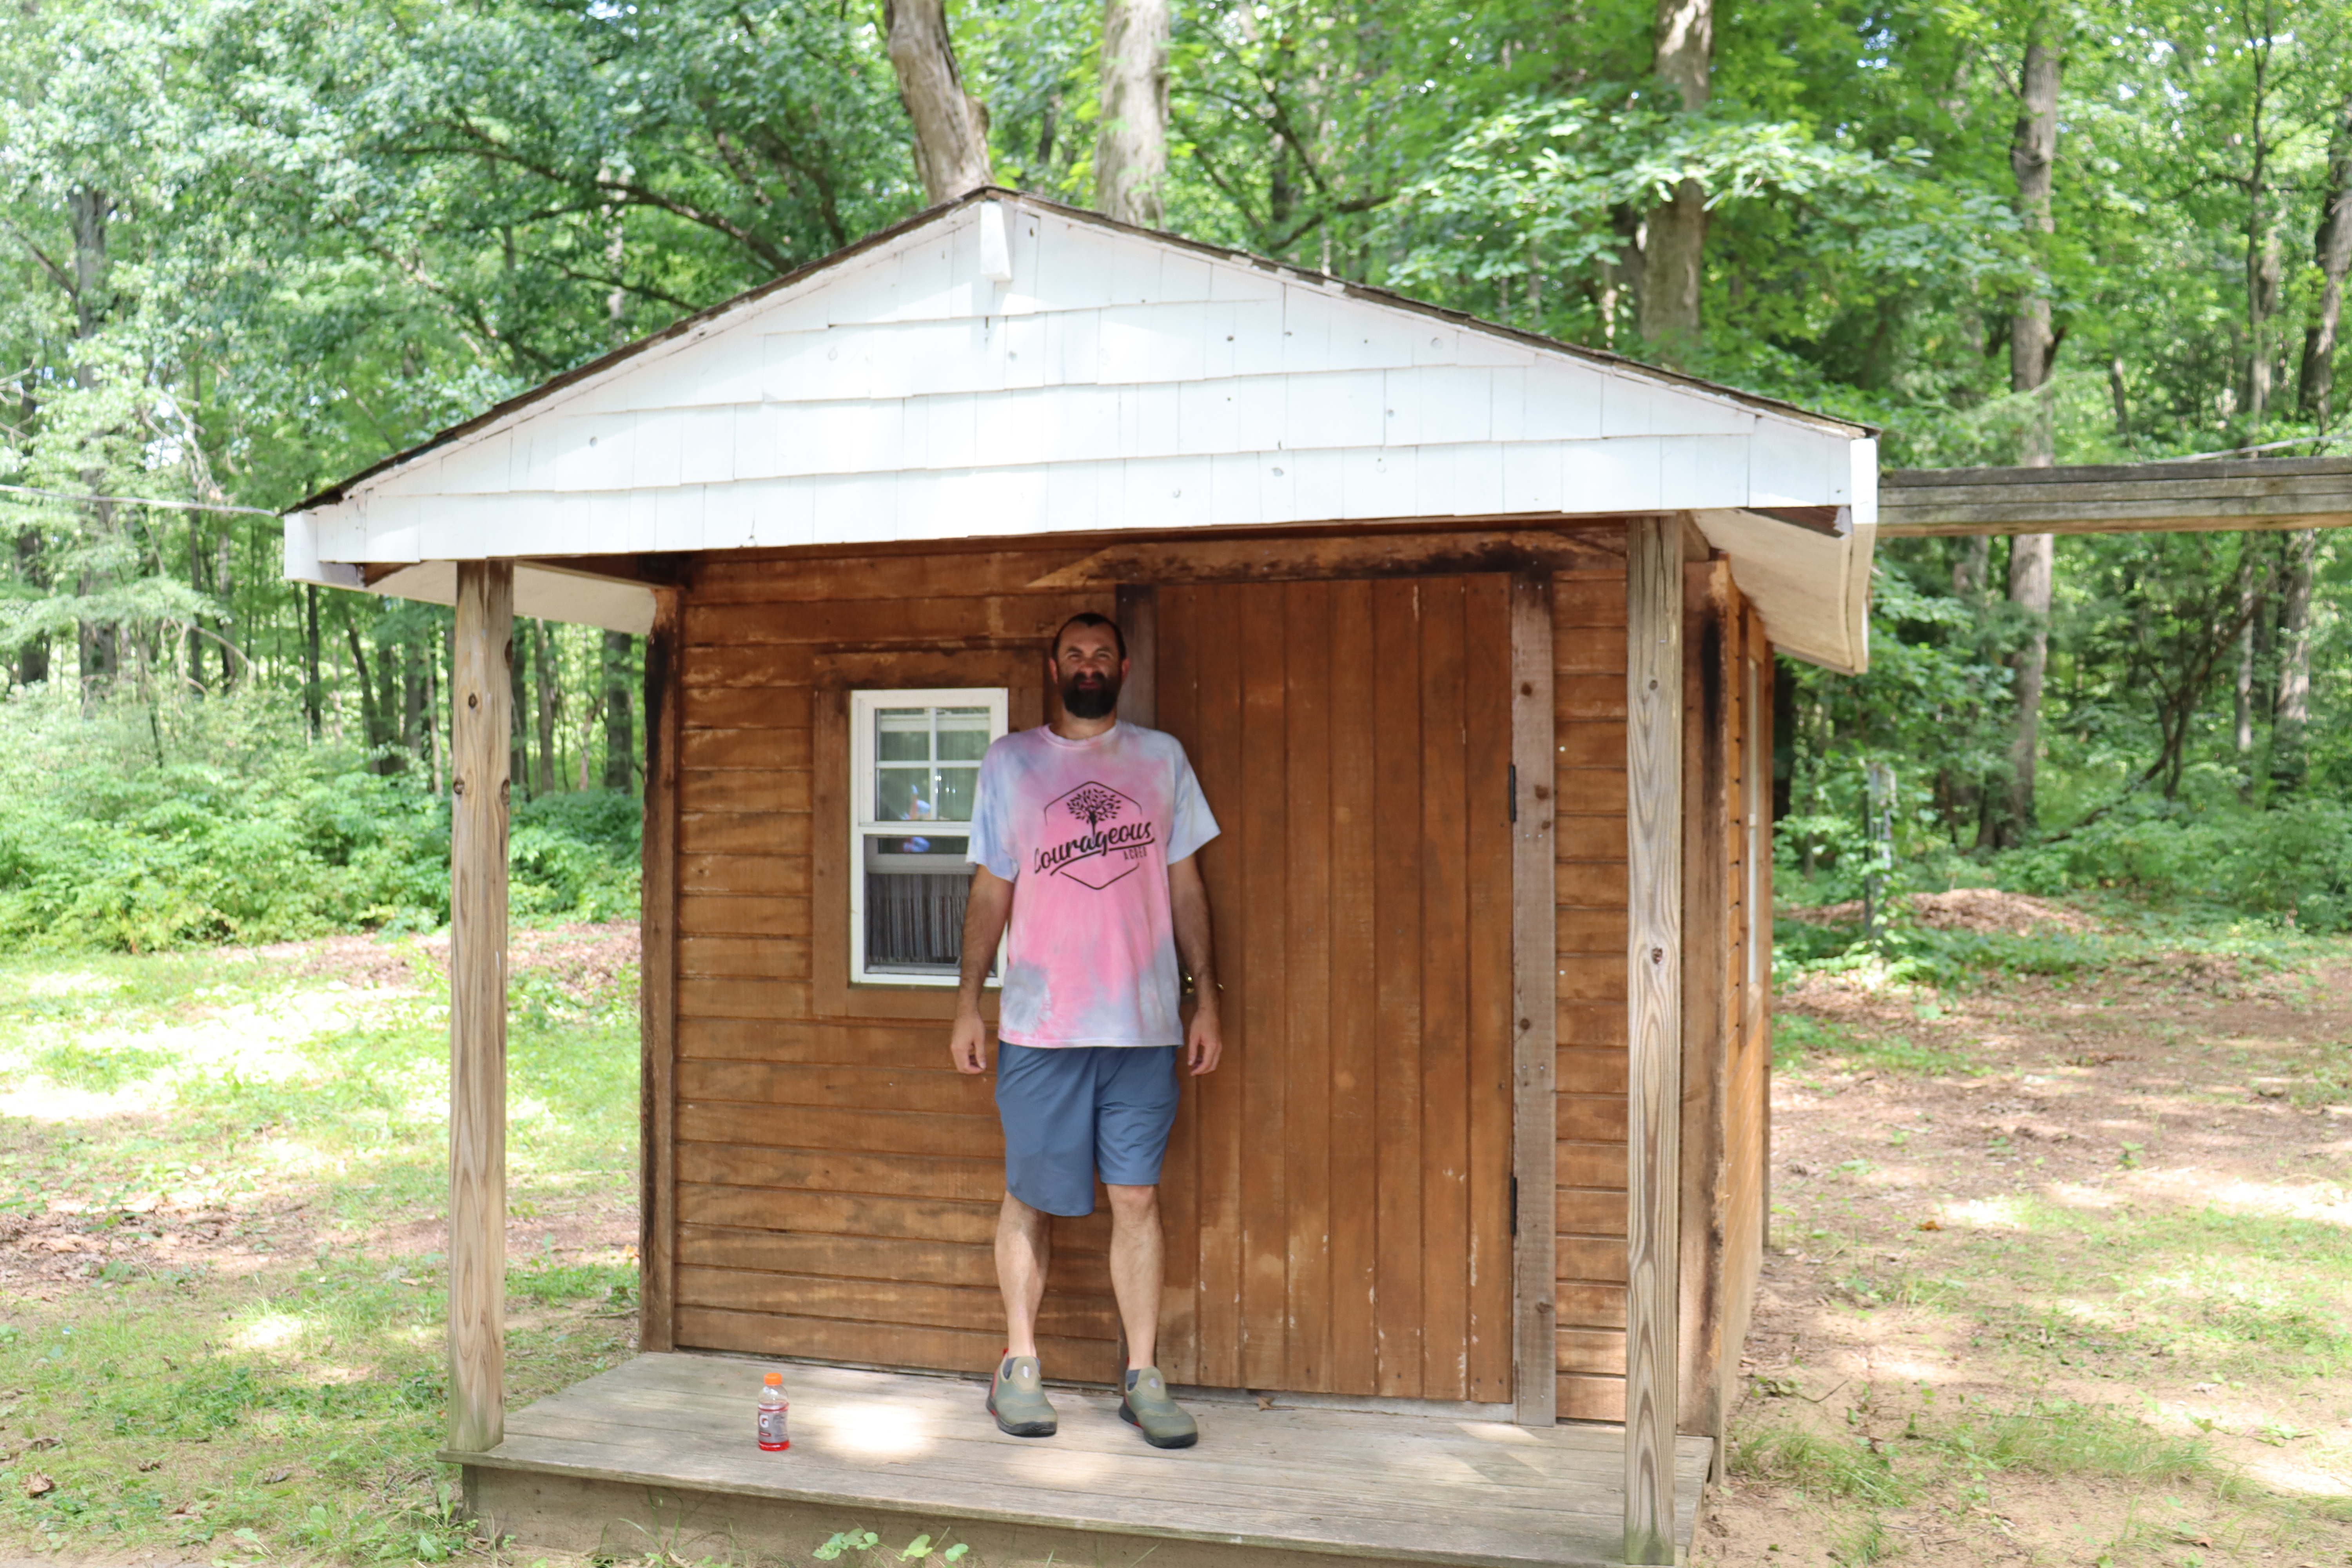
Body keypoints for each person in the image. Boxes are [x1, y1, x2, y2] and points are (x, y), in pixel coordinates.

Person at [949, 612, 1223, 1450]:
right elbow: (992, 892)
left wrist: (1204, 995)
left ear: (1124, 665)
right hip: (1041, 1025)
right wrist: (968, 1000)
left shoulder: (1161, 758)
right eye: (1075, 653)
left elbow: (1185, 889)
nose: (1089, 665)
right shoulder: (1013, 762)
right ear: (1054, 665)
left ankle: (1143, 1375)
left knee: (1137, 1197)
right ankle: (1020, 1366)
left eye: (1102, 653)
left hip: (1142, 1027)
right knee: (1031, 1197)